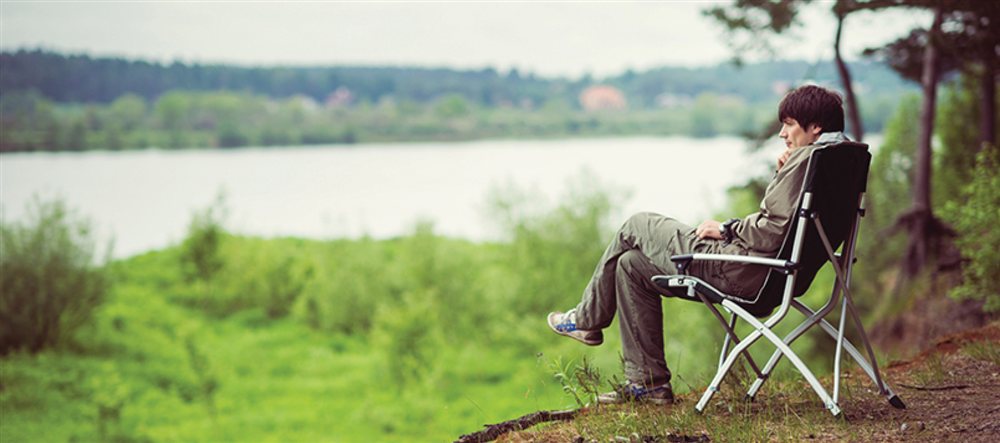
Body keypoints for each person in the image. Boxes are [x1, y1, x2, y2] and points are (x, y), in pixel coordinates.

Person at [546, 84, 849, 405]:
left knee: (636, 224)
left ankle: (585, 320)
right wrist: (782, 173)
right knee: (630, 265)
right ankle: (647, 385)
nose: (782, 133)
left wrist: (727, 228)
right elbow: (790, 227)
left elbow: (773, 229)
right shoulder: (839, 160)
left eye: (789, 124)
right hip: (779, 276)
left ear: (815, 127)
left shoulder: (808, 159)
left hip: (745, 272)